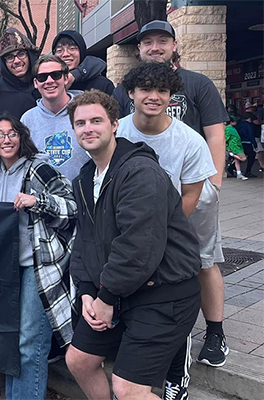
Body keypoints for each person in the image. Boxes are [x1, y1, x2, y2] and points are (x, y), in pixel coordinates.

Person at [65, 89, 202, 400]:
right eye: (81, 123)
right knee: (79, 360)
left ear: (115, 124)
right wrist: (86, 289)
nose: (88, 128)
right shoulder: (85, 178)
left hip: (164, 293)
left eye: (96, 120)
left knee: (128, 390)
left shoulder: (139, 171)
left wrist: (106, 297)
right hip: (118, 291)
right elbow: (84, 240)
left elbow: (139, 247)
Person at [114, 20, 229, 372]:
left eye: (162, 40)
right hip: (142, 193)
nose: (155, 47)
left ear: (174, 45)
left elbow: (214, 133)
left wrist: (216, 181)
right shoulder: (126, 90)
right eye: (147, 42)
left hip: (192, 185)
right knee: (147, 259)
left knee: (202, 261)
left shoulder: (198, 83)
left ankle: (214, 331)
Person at [0, 116, 76, 400]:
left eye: (11, 134)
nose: (6, 140)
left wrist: (39, 202)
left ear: (21, 137)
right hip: (5, 269)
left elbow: (72, 208)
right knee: (11, 340)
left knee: (30, 341)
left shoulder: (40, 168)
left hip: (39, 265)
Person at [21, 54, 89, 180]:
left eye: (56, 75)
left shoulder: (86, 111)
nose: (49, 81)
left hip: (83, 195)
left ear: (66, 78)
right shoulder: (27, 119)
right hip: (41, 197)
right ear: (36, 83)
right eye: (42, 77)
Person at [0, 27, 40, 98]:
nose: (16, 61)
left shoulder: (44, 84)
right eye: (9, 57)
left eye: (21, 54)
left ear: (30, 56)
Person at [225, 115, 248, 180]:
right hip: (234, 146)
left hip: (237, 146)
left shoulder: (231, 128)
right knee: (243, 158)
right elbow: (226, 139)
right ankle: (232, 154)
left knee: (237, 161)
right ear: (231, 122)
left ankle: (239, 173)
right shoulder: (228, 129)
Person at [236, 113, 258, 178]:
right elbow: (250, 135)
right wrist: (254, 143)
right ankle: (248, 171)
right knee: (251, 155)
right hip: (247, 142)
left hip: (240, 142)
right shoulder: (249, 125)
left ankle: (232, 168)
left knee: (240, 156)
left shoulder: (239, 124)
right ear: (250, 119)